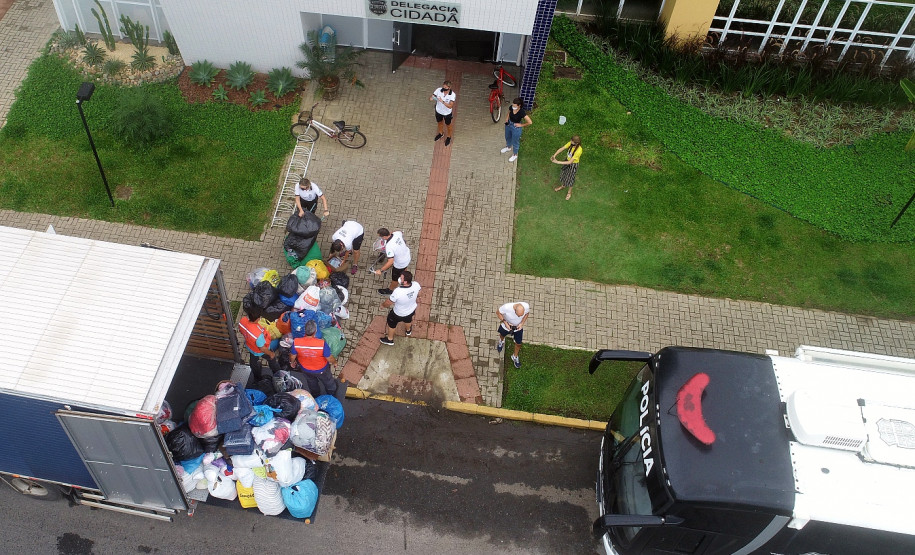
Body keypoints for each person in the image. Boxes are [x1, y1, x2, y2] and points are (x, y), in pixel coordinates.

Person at [289, 320, 337, 397]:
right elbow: (329, 358)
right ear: (315, 331)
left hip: (305, 369)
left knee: (311, 383)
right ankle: (331, 394)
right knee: (328, 382)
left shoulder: (296, 342)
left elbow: (292, 356)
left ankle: (316, 396)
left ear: (305, 331)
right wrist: (335, 362)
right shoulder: (321, 344)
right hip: (321, 369)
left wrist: (292, 362)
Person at [379, 270, 421, 346]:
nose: (399, 279)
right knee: (408, 320)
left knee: (392, 325)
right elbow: (419, 293)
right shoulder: (416, 284)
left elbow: (389, 302)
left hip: (398, 313)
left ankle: (390, 339)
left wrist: (383, 305)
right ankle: (408, 330)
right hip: (411, 310)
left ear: (405, 282)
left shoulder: (398, 291)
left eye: (401, 278)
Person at [238, 314, 280, 380]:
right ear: (257, 319)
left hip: (250, 347)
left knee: (253, 363)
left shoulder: (243, 321)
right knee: (272, 360)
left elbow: (241, 331)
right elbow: (262, 348)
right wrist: (271, 354)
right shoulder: (258, 335)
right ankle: (278, 375)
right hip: (260, 351)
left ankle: (257, 377)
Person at [374, 227, 411, 296]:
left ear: (384, 237)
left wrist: (381, 270)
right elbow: (400, 232)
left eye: (381, 237)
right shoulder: (397, 233)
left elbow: (390, 261)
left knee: (395, 278)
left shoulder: (389, 246)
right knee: (404, 269)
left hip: (400, 263)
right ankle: (404, 275)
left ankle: (390, 290)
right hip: (407, 256)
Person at [496, 302, 530, 369]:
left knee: (518, 343)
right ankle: (501, 341)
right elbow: (498, 313)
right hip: (506, 327)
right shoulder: (506, 307)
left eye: (521, 316)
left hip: (518, 328)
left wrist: (522, 323)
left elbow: (527, 314)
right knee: (502, 335)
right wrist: (505, 322)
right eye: (518, 315)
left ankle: (515, 356)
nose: (519, 317)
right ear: (514, 310)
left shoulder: (526, 306)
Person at [550, 136, 582, 201]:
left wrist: (557, 162)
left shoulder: (579, 150)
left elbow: (570, 162)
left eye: (572, 142)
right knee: (564, 174)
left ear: (576, 143)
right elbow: (562, 148)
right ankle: (563, 186)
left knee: (570, 179)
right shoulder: (571, 143)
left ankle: (569, 192)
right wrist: (554, 155)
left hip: (572, 165)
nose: (570, 142)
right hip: (567, 160)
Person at [501, 97, 532, 163]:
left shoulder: (521, 112)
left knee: (515, 141)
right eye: (513, 105)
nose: (513, 107)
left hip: (516, 127)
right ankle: (508, 147)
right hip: (509, 124)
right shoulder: (511, 107)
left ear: (519, 106)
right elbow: (509, 112)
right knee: (507, 137)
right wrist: (507, 118)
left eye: (515, 106)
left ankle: (515, 154)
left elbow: (530, 122)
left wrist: (521, 125)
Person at [429, 80, 456, 146]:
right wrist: (432, 98)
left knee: (448, 125)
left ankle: (449, 137)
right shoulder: (438, 90)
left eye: (445, 88)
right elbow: (432, 97)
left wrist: (442, 101)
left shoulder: (452, 95)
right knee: (439, 123)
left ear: (449, 88)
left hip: (447, 113)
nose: (444, 88)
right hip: (438, 111)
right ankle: (441, 133)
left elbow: (450, 106)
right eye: (443, 87)